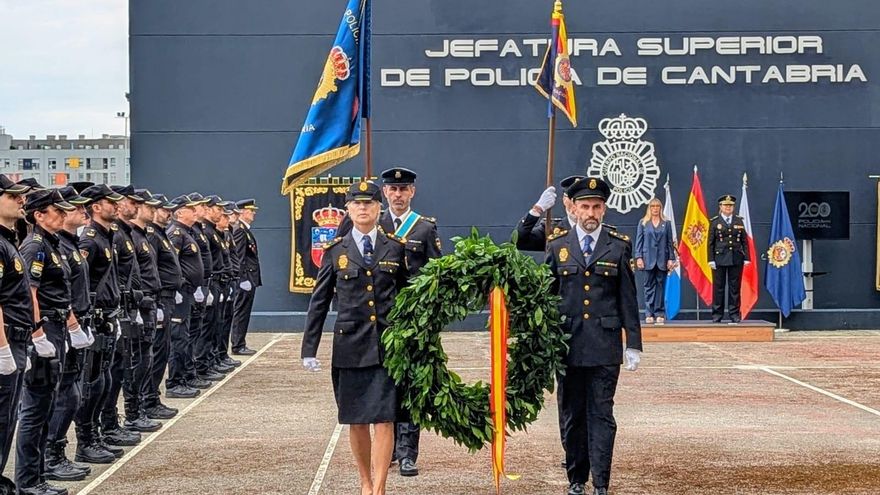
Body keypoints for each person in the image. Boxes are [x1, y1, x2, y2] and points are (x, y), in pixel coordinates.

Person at [301, 181, 408, 495]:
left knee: (385, 419)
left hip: (388, 346)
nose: (363, 208)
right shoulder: (336, 251)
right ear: (348, 209)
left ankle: (379, 487)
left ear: (379, 208)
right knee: (357, 420)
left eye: (369, 203)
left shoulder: (396, 247)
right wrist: (309, 348)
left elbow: (409, 296)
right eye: (357, 204)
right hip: (350, 347)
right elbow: (319, 302)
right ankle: (364, 481)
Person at [545, 177, 642, 495]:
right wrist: (541, 341)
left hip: (604, 345)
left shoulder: (618, 245)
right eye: (584, 206)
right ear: (573, 209)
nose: (590, 212)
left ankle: (601, 481)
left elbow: (628, 296)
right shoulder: (557, 246)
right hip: (568, 345)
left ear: (604, 208)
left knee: (602, 413)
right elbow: (547, 298)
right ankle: (576, 478)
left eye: (596, 206)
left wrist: (634, 344)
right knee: (572, 414)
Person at [15, 190, 93, 494]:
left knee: (48, 405)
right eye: (56, 211)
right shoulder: (35, 246)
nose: (63, 214)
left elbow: (62, 291)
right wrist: (38, 335)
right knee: (35, 410)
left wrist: (72, 324)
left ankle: (39, 476)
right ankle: (29, 481)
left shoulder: (54, 244)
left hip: (58, 326)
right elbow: (30, 293)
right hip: (45, 328)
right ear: (39, 215)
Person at [377, 166, 441, 477]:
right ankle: (385, 450)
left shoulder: (425, 229)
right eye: (393, 189)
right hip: (382, 321)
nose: (398, 194)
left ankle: (407, 453)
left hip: (415, 321)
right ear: (385, 192)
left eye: (404, 190)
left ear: (412, 192)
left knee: (411, 386)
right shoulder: (372, 225)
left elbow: (436, 275)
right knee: (385, 385)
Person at [45, 186, 104, 475]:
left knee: (75, 393)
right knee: (63, 396)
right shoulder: (51, 246)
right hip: (60, 327)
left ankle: (63, 450)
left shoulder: (67, 244)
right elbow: (47, 293)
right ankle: (52, 456)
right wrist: (72, 325)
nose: (84, 211)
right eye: (75, 208)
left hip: (77, 323)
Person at [76, 184, 134, 463]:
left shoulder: (106, 236)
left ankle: (98, 433)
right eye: (110, 202)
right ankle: (86, 440)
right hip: (96, 319)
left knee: (106, 379)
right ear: (96, 207)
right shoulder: (89, 240)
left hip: (109, 317)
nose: (117, 205)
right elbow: (82, 284)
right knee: (93, 382)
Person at [0, 176, 39, 494]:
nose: (21, 200)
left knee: (8, 417)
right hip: (6, 340)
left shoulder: (8, 240)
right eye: (13, 196)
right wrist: (2, 348)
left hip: (17, 338)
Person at [142, 192, 185, 415]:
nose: (167, 213)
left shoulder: (161, 234)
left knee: (161, 351)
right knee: (155, 353)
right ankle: (147, 400)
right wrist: (156, 302)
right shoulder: (152, 235)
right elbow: (150, 270)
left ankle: (152, 399)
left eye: (169, 210)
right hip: (158, 300)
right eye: (162, 209)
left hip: (167, 298)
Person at [165, 195, 208, 398]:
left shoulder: (187, 232)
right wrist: (180, 287)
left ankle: (185, 376)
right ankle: (174, 382)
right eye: (191, 209)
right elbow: (172, 263)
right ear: (180, 212)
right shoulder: (176, 233)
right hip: (181, 293)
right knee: (179, 338)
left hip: (190, 292)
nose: (195, 212)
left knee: (187, 336)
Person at [708, 195, 750, 323]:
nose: (728, 208)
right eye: (725, 205)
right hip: (719, 258)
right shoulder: (715, 222)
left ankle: (734, 314)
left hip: (736, 258)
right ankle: (717, 314)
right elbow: (710, 243)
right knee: (718, 287)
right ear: (720, 207)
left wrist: (746, 257)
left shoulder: (739, 221)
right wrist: (711, 259)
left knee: (735, 288)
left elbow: (744, 241)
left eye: (730, 205)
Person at [634, 198, 677, 324]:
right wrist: (639, 257)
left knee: (660, 286)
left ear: (660, 208)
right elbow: (639, 241)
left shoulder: (666, 223)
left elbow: (670, 242)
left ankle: (659, 312)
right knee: (648, 286)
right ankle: (649, 312)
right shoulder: (643, 222)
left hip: (662, 259)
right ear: (649, 208)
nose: (655, 209)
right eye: (652, 206)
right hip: (648, 259)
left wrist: (671, 258)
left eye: (657, 206)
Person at [516, 175, 583, 252]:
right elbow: (518, 241)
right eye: (571, 199)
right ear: (564, 200)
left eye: (580, 201)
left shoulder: (598, 231)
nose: (575, 205)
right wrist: (537, 209)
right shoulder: (551, 230)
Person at [230, 199, 261, 356]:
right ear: (242, 212)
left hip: (250, 277)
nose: (253, 213)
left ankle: (240, 342)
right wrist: (242, 279)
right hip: (245, 278)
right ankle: (237, 344)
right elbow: (239, 257)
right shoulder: (240, 230)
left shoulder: (244, 230)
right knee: (241, 312)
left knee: (244, 311)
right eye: (250, 210)